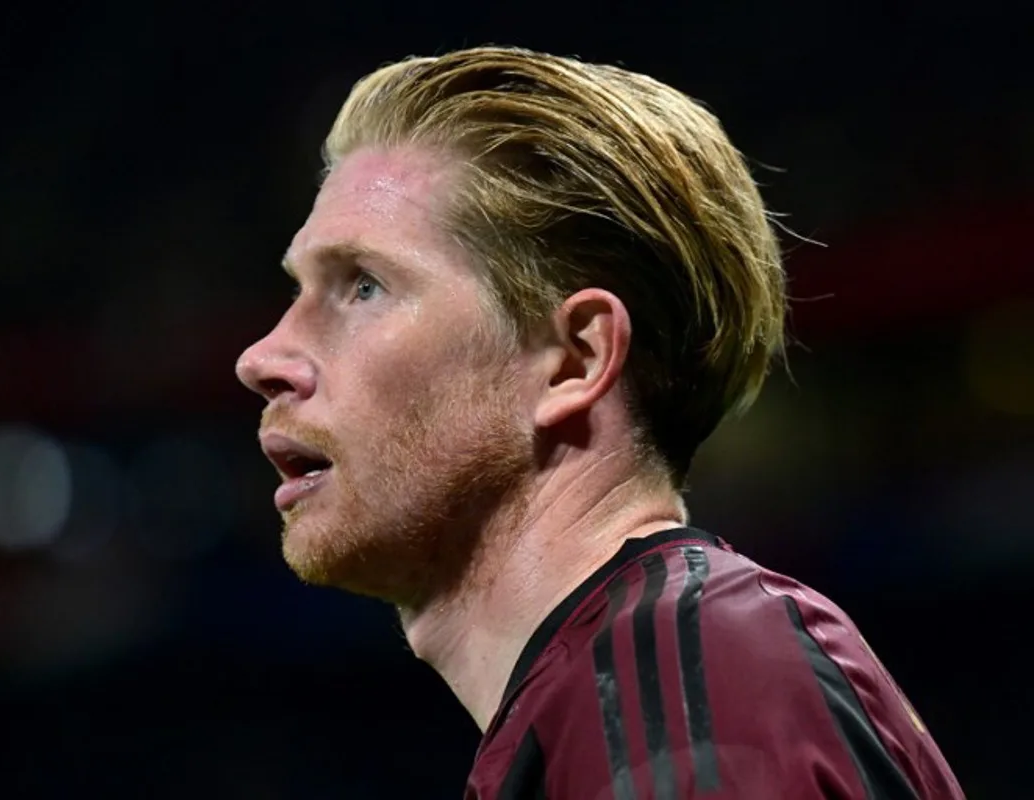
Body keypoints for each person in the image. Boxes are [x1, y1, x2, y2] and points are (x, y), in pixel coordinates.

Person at [235, 46, 964, 799]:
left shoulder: (680, 680)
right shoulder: (631, 689)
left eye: (363, 286)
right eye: (300, 290)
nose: (262, 357)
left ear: (573, 361)